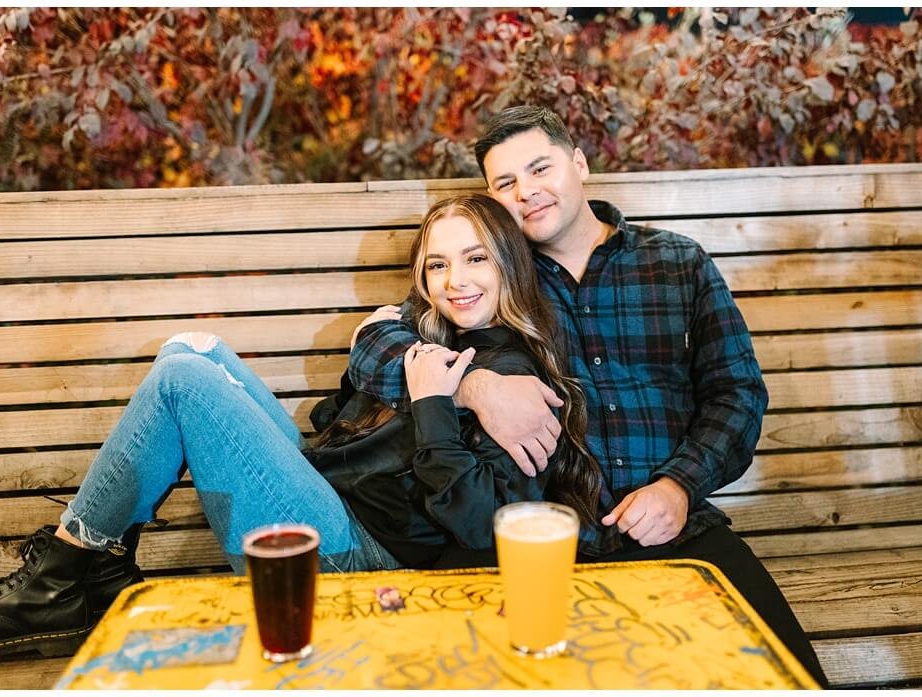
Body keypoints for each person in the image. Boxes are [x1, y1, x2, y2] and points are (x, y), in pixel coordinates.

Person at [0, 193, 593, 661]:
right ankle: (93, 572)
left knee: (183, 382)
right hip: (332, 498)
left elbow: (484, 528)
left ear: (509, 264)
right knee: (193, 349)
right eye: (437, 266)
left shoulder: (519, 385)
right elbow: (362, 366)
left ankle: (62, 578)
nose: (455, 281)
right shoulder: (434, 335)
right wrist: (416, 373)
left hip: (363, 566)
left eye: (476, 258)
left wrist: (434, 405)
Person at [349, 106, 828, 686]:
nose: (526, 192)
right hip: (538, 540)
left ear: (578, 163)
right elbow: (374, 345)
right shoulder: (496, 271)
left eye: (540, 168)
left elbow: (737, 393)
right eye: (505, 182)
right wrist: (477, 388)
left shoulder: (675, 263)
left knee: (788, 676)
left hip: (674, 528)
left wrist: (679, 486)